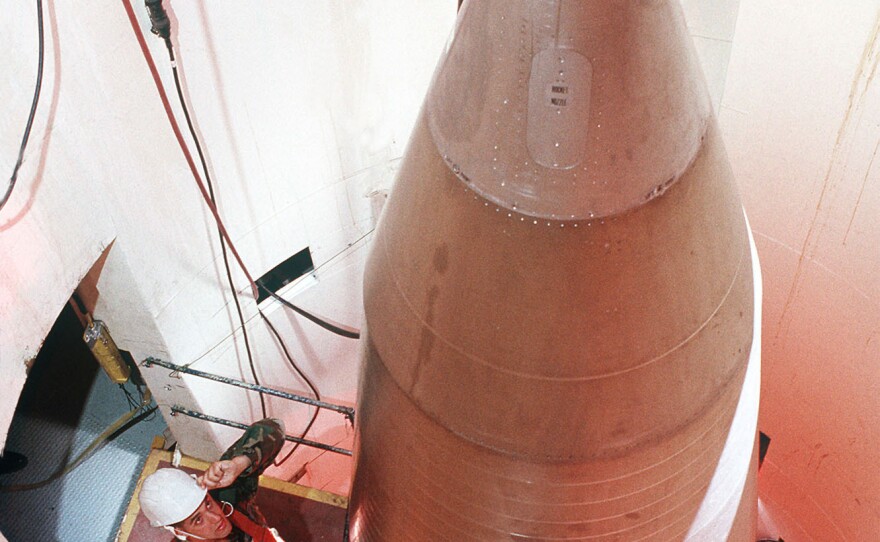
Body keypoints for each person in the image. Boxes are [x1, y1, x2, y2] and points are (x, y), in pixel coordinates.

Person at [139, 418, 287, 542]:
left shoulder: (225, 494)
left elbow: (275, 427)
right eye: (198, 520)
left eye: (208, 504)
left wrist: (240, 463)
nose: (216, 517)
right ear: (180, 533)